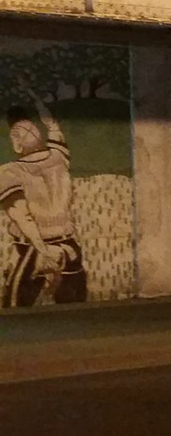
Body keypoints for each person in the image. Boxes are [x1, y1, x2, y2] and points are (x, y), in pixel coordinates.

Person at [1, 95, 86, 307]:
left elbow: (23, 218)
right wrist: (38, 102)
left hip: (34, 246)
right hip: (68, 241)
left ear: (17, 144)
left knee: (16, 305)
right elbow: (53, 126)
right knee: (74, 304)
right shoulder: (59, 157)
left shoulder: (10, 172)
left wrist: (43, 251)